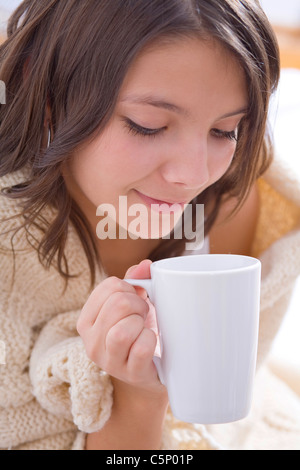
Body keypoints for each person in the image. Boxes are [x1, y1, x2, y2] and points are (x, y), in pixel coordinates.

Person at [0, 0, 299, 451]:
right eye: (148, 126)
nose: (194, 175)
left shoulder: (232, 200)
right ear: (47, 101)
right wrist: (136, 396)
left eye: (225, 131)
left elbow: (223, 404)